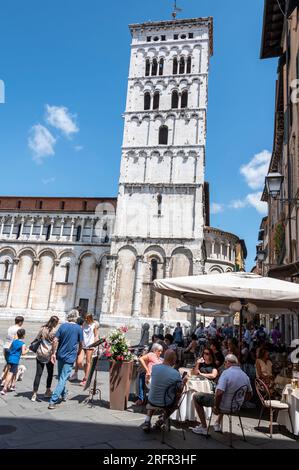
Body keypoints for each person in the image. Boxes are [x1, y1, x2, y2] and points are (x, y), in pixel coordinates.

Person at [142, 349, 188, 432]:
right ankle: (161, 420)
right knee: (176, 401)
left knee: (155, 391)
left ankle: (147, 421)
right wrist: (184, 382)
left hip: (151, 400)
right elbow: (179, 390)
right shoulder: (175, 373)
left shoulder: (155, 368)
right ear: (174, 360)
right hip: (166, 403)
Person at [48, 310, 83, 409]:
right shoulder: (78, 328)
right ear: (76, 317)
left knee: (61, 377)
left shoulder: (62, 326)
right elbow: (81, 344)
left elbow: (55, 340)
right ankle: (53, 400)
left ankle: (64, 394)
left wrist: (54, 353)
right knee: (63, 378)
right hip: (70, 356)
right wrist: (79, 352)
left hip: (60, 354)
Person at [211, 354, 253, 433]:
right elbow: (250, 394)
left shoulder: (226, 373)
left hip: (224, 407)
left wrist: (216, 407)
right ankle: (217, 422)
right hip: (236, 407)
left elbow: (219, 393)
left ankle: (202, 426)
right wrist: (240, 402)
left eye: (224, 363)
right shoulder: (245, 376)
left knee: (198, 397)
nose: (224, 365)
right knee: (226, 397)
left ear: (227, 362)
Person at [31, 316, 60, 402]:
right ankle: (47, 390)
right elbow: (55, 343)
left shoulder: (42, 329)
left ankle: (34, 394)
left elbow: (36, 339)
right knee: (50, 373)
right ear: (55, 323)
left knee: (38, 374)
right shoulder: (55, 331)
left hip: (40, 353)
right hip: (49, 354)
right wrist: (54, 353)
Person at [1, 329, 28, 395]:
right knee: (10, 374)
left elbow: (10, 349)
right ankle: (4, 388)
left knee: (13, 372)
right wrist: (28, 349)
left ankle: (12, 385)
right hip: (15, 360)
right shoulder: (22, 344)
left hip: (10, 358)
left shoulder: (14, 341)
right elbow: (24, 353)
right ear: (23, 335)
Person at [77, 313, 98, 386]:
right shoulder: (83, 324)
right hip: (83, 345)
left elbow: (95, 336)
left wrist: (94, 345)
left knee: (88, 362)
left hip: (90, 345)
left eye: (87, 318)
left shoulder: (94, 325)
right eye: (85, 318)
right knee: (79, 362)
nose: (85, 319)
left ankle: (85, 378)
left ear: (90, 318)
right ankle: (87, 374)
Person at [1, 316, 24, 383]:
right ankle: (8, 382)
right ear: (20, 322)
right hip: (12, 348)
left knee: (8, 364)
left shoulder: (10, 327)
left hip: (6, 346)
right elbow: (16, 340)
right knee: (12, 367)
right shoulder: (19, 329)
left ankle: (3, 378)